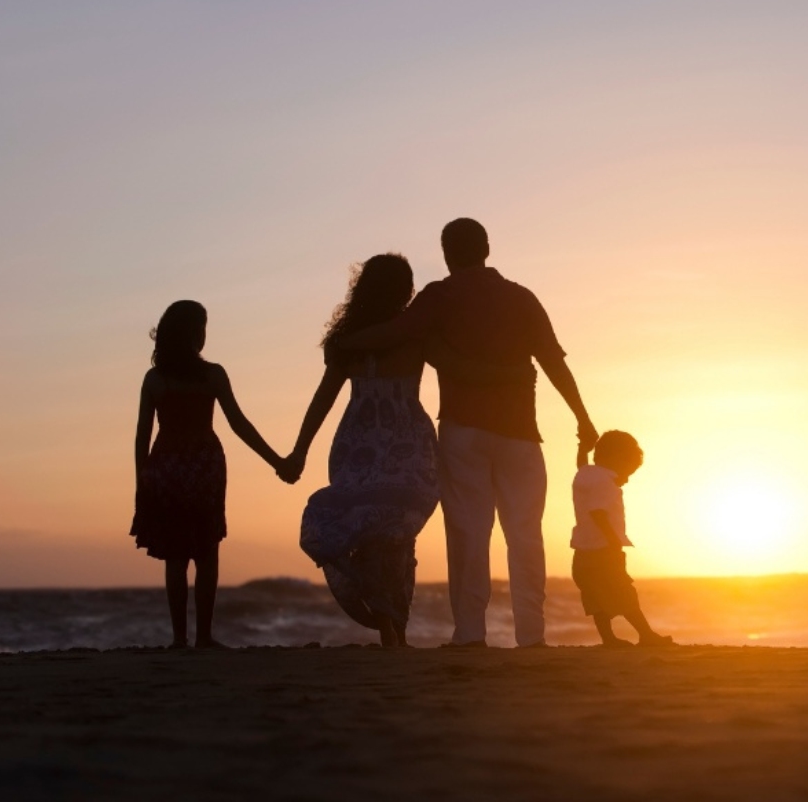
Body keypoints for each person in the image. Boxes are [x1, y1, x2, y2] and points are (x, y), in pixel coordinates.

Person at [341, 219, 598, 648]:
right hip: (520, 434)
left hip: (464, 432)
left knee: (468, 532)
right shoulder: (521, 297)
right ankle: (532, 636)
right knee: (525, 534)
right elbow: (554, 362)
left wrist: (344, 344)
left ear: (446, 253)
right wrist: (583, 420)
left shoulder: (439, 296)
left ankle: (470, 635)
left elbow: (397, 332)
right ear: (488, 248)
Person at [284, 254, 439, 648]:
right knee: (398, 534)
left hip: (358, 443)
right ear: (404, 289)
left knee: (373, 531)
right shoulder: (415, 333)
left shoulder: (347, 341)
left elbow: (322, 400)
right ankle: (394, 625)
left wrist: (300, 451)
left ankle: (389, 621)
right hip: (406, 442)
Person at [132, 300, 292, 649]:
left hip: (167, 467)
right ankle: (204, 636)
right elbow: (239, 425)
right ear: (194, 334)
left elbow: (143, 435)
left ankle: (179, 639)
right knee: (206, 552)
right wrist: (277, 461)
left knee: (175, 556)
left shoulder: (155, 379)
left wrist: (140, 482)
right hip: (204, 467)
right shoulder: (212, 375)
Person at [571, 431, 673, 647]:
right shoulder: (605, 483)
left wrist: (582, 449)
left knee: (595, 598)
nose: (625, 480)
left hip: (582, 554)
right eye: (627, 471)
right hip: (603, 551)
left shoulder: (586, 473)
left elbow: (582, 465)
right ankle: (646, 635)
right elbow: (597, 512)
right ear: (617, 459)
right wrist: (613, 540)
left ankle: (608, 639)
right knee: (624, 593)